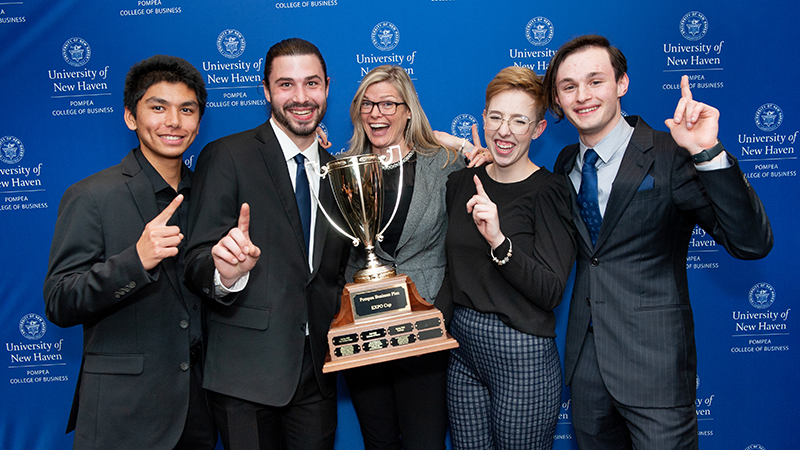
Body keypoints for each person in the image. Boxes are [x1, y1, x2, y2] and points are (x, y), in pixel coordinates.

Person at [543, 34, 773, 449]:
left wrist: (708, 153)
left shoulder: (671, 153)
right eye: (568, 86)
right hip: (586, 367)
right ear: (557, 100)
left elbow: (751, 242)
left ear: (621, 84)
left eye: (595, 81)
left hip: (656, 367)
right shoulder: (564, 165)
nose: (582, 96)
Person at [183, 38, 350, 450]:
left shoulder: (341, 174)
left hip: (317, 373)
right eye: (286, 85)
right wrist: (225, 274)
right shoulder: (227, 156)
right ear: (266, 91)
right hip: (245, 378)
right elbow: (194, 260)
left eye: (311, 83)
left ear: (327, 87)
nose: (301, 97)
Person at [43, 55, 216, 449]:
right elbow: (58, 300)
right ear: (130, 117)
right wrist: (134, 261)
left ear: (198, 121)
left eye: (186, 109)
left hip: (199, 411)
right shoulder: (91, 196)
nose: (174, 121)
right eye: (158, 107)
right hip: (123, 416)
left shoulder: (210, 193)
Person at [437, 66, 577, 450]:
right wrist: (458, 144)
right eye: (496, 117)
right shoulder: (462, 182)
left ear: (538, 130)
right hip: (463, 350)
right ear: (483, 118)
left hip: (521, 356)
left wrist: (499, 240)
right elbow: (408, 138)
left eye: (519, 121)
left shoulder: (549, 191)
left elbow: (550, 291)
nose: (504, 131)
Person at [340, 65, 464, 450]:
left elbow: (460, 248)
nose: (376, 113)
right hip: (365, 329)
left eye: (388, 104)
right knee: (378, 440)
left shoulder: (445, 164)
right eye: (367, 104)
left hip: (425, 325)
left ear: (408, 109)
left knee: (424, 441)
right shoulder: (343, 168)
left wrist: (435, 315)